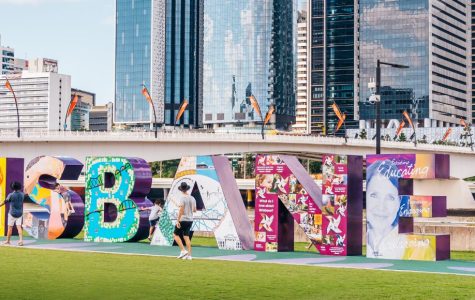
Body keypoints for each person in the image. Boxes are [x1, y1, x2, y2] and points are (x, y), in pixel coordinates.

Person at [366, 159, 407, 259]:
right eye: (374, 195)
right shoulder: (356, 240)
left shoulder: (418, 250)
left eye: (390, 198)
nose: (381, 207)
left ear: (399, 202)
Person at [173, 182, 196, 260]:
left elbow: (181, 210)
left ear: (181, 189)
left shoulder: (182, 198)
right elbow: (194, 210)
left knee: (175, 235)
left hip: (183, 219)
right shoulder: (192, 198)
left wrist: (178, 220)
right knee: (186, 237)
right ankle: (189, 256)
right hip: (190, 220)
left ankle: (183, 250)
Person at [0, 182, 25, 246]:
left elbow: (5, 202)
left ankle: (8, 241)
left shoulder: (11, 195)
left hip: (12, 214)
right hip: (20, 213)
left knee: (10, 228)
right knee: (19, 227)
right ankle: (21, 241)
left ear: (12, 188)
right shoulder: (22, 194)